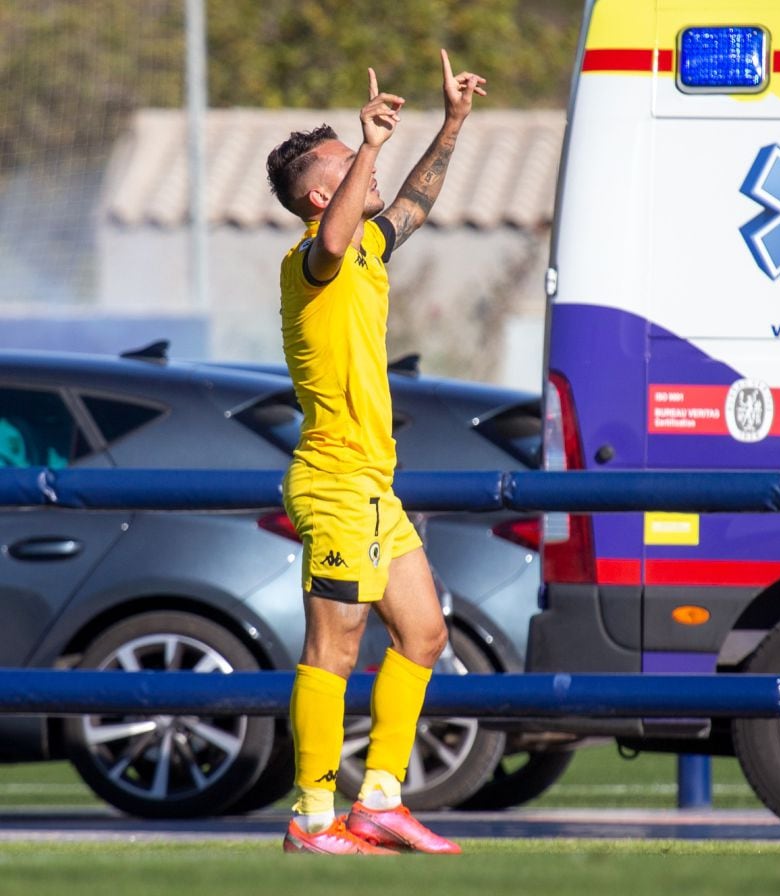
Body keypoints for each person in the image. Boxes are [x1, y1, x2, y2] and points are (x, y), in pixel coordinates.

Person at [265, 49, 486, 856]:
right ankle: (311, 818)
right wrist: (367, 145)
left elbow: (416, 209)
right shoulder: (312, 263)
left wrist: (451, 124)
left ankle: (380, 802)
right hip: (331, 481)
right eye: (349, 167)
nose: (371, 173)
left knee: (424, 633)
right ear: (324, 195)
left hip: (372, 486)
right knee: (335, 645)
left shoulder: (364, 251)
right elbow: (331, 236)